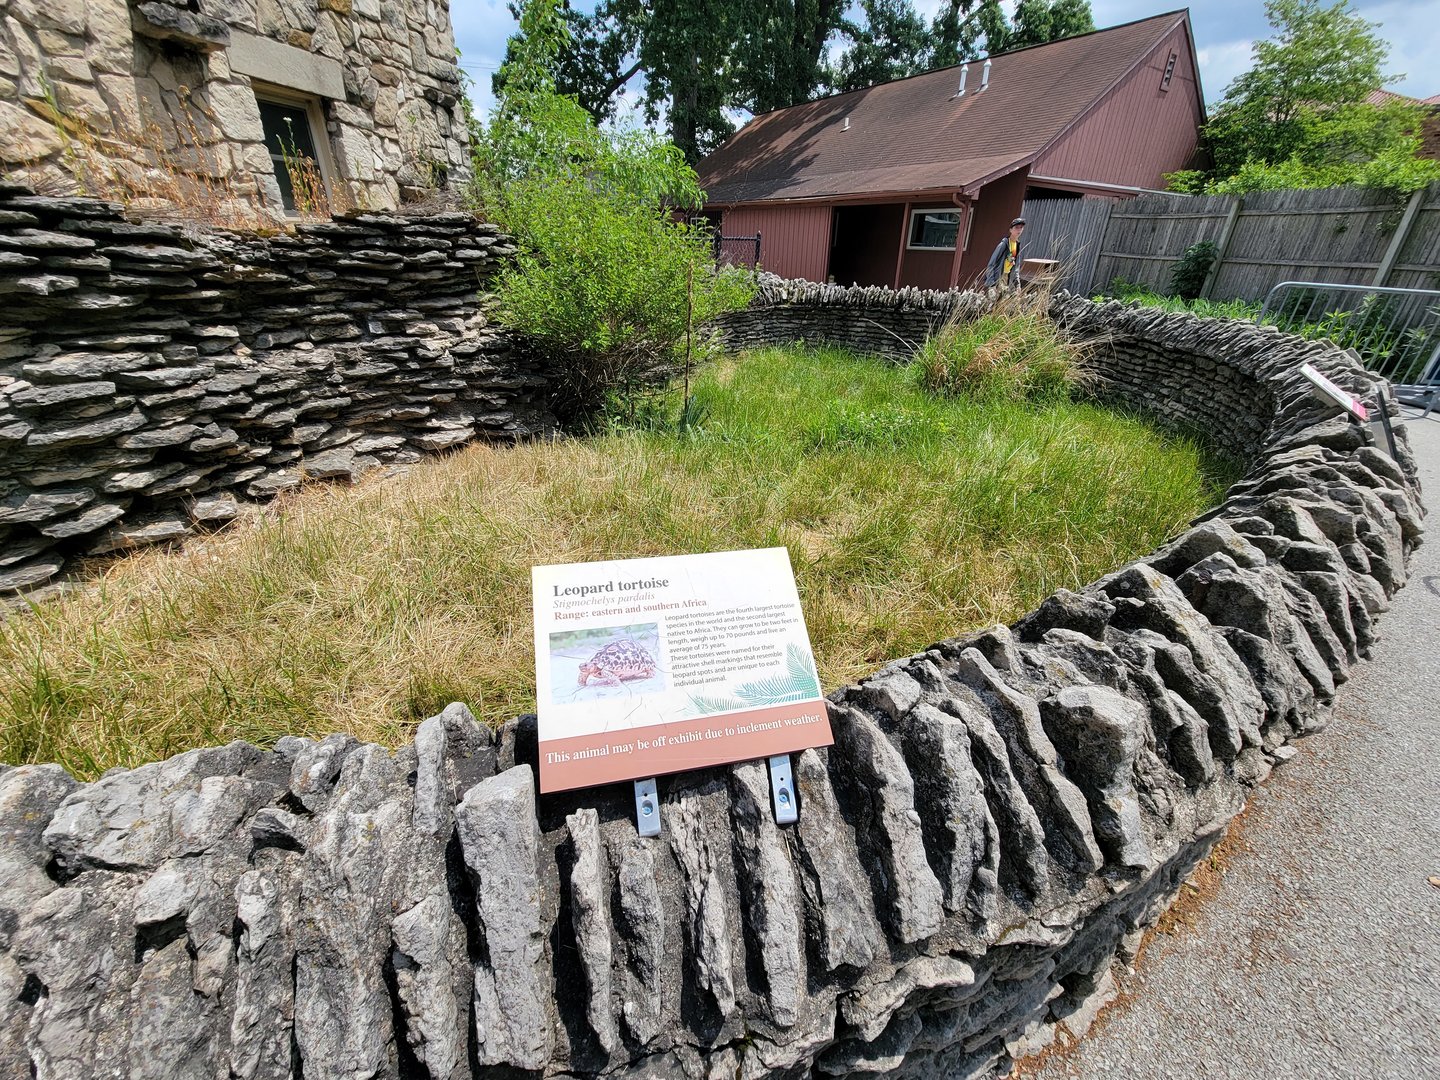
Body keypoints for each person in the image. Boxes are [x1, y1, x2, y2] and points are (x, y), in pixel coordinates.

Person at [984, 217, 1026, 290]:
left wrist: (1017, 284)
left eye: (1021, 227)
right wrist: (991, 283)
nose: (1019, 230)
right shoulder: (1004, 244)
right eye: (1016, 227)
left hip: (1008, 279)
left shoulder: (1017, 245)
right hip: (999, 277)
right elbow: (991, 264)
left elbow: (1016, 268)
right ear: (1010, 230)